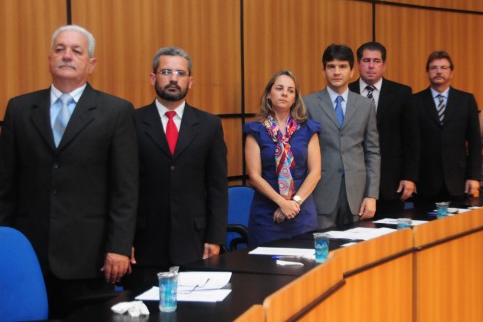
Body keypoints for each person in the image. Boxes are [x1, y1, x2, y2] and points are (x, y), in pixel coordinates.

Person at [0, 25, 138, 318]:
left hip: (90, 255)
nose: (67, 56)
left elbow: (124, 188)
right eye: (60, 49)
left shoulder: (116, 112)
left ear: (91, 63)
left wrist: (119, 246)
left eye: (77, 51)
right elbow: (5, 185)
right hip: (29, 253)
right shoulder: (19, 109)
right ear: (49, 58)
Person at [126, 47, 228, 289]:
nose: (173, 79)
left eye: (180, 73)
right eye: (166, 72)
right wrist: (122, 241)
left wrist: (215, 238)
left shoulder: (209, 125)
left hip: (194, 242)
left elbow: (217, 187)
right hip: (144, 244)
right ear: (153, 77)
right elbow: (124, 186)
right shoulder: (131, 122)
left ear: (190, 81)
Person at [304, 44, 380, 229]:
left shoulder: (365, 105)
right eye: (331, 66)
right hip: (321, 192)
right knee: (322, 250)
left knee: (355, 251)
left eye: (342, 66)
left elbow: (372, 152)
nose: (336, 72)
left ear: (352, 71)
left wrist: (371, 195)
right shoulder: (308, 104)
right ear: (323, 71)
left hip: (356, 194)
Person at [243, 71, 321, 246]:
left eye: (290, 90)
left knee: (305, 269)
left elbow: (315, 172)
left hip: (301, 213)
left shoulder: (308, 129)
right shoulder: (255, 130)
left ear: (295, 98)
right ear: (269, 94)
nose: (285, 93)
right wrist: (281, 203)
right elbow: (254, 176)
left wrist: (293, 203)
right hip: (267, 215)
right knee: (266, 268)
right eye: (279, 88)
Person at [349, 42, 419, 217]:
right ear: (358, 64)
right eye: (366, 60)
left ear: (384, 65)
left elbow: (412, 139)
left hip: (391, 183)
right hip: (352, 182)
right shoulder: (346, 93)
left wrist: (409, 177)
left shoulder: (402, 93)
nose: (371, 66)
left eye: (376, 61)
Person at [413, 50, 482, 210]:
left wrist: (474, 176)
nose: (438, 71)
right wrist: (411, 177)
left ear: (451, 72)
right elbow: (410, 144)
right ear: (427, 72)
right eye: (434, 68)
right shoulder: (414, 101)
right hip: (425, 181)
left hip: (458, 181)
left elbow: (475, 142)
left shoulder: (466, 100)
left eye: (443, 68)